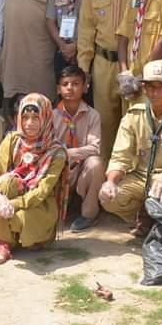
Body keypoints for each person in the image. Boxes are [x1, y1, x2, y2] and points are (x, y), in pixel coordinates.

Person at [99, 61, 162, 233]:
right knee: (109, 198)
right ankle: (142, 216)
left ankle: (158, 222)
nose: (154, 92)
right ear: (144, 88)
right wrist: (111, 182)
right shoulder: (133, 116)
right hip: (140, 177)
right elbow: (120, 156)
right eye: (150, 86)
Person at [77, 0, 143, 151]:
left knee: (135, 122)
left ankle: (132, 179)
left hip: (135, 65)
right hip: (103, 65)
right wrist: (83, 69)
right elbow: (86, 32)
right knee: (104, 125)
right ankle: (104, 177)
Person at [0, 93, 68, 264]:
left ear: (46, 117)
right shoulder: (12, 139)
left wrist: (9, 206)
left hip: (39, 206)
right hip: (10, 197)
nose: (29, 123)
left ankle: (29, 236)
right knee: (6, 181)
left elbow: (41, 192)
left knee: (19, 219)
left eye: (36, 117)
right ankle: (4, 243)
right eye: (25, 117)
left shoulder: (56, 151)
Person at [52, 66, 105, 232]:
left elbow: (94, 148)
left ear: (85, 87)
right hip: (58, 169)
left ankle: (89, 213)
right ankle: (53, 212)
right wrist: (61, 156)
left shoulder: (92, 115)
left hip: (80, 168)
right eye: (65, 84)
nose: (70, 88)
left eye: (75, 83)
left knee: (95, 163)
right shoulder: (51, 116)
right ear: (58, 89)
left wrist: (69, 153)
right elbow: (47, 147)